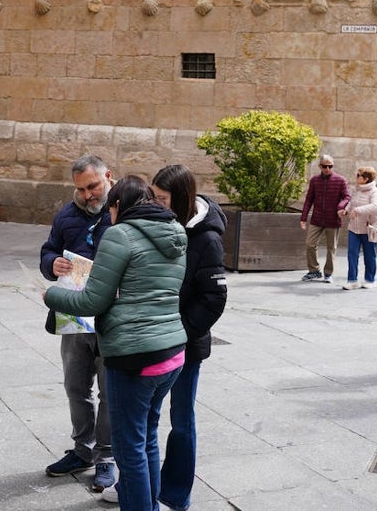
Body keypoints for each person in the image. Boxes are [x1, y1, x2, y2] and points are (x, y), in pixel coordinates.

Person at [44, 176, 186, 511]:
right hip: (172, 352)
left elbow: (93, 301)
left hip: (135, 355)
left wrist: (51, 294)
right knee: (147, 437)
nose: (108, 214)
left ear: (118, 206)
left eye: (110, 207)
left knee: (128, 450)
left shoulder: (119, 234)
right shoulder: (176, 232)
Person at [144, 164, 228, 511]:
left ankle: (176, 494)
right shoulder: (157, 225)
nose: (155, 203)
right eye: (153, 196)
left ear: (179, 200)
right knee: (146, 416)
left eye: (161, 198)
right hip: (153, 338)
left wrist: (181, 332)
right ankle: (141, 483)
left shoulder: (206, 238)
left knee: (181, 418)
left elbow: (214, 298)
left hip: (185, 345)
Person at [38, 155, 116, 492]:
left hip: (111, 320)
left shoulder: (122, 214)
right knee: (75, 388)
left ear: (108, 177)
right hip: (73, 318)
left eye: (93, 186)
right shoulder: (66, 215)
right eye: (81, 189)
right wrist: (51, 262)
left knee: (110, 391)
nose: (87, 195)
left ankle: (107, 458)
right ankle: (82, 450)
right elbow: (47, 250)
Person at [299, 155, 350, 282]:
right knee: (310, 244)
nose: (327, 169)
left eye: (330, 166)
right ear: (320, 166)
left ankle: (328, 273)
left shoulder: (341, 180)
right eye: (325, 166)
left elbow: (347, 197)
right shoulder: (315, 180)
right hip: (317, 218)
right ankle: (314, 270)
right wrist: (303, 218)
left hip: (333, 220)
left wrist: (341, 206)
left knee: (331, 248)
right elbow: (309, 200)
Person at [340, 166, 377, 289]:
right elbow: (351, 202)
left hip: (369, 228)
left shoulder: (375, 192)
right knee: (352, 254)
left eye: (359, 175)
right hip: (353, 228)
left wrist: (358, 210)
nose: (356, 177)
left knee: (370, 255)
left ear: (366, 179)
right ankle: (352, 280)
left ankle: (370, 279)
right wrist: (346, 210)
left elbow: (376, 206)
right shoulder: (355, 190)